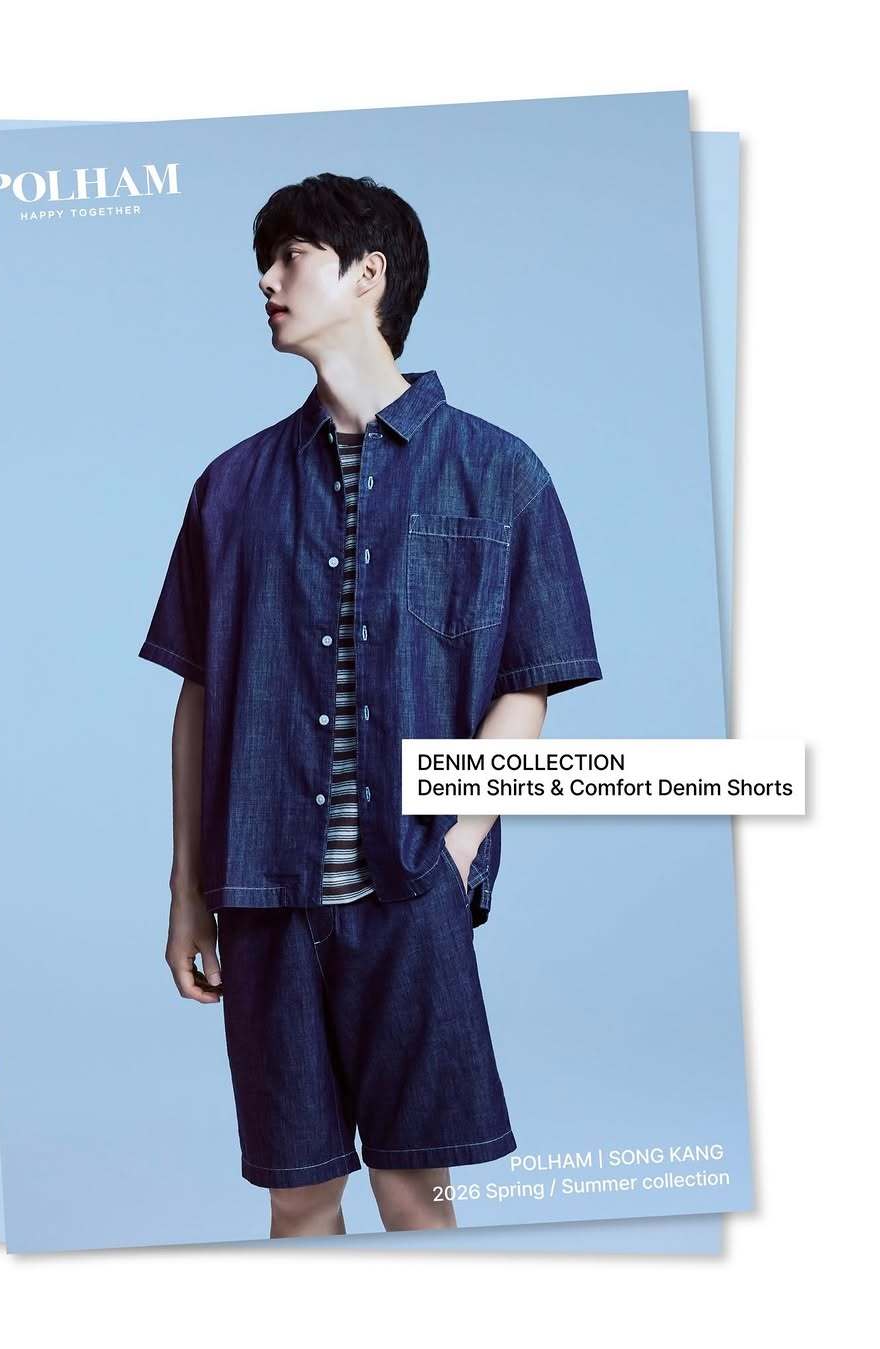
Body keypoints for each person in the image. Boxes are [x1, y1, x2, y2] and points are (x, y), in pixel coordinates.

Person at [138, 172, 602, 1238]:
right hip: (264, 894)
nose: (266, 281)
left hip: (409, 891)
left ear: (367, 275)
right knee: (298, 1197)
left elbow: (528, 682)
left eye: (290, 257)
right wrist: (186, 892)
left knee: (415, 1195)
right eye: (265, 262)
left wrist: (458, 846)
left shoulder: (500, 473)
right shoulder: (231, 488)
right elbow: (199, 696)